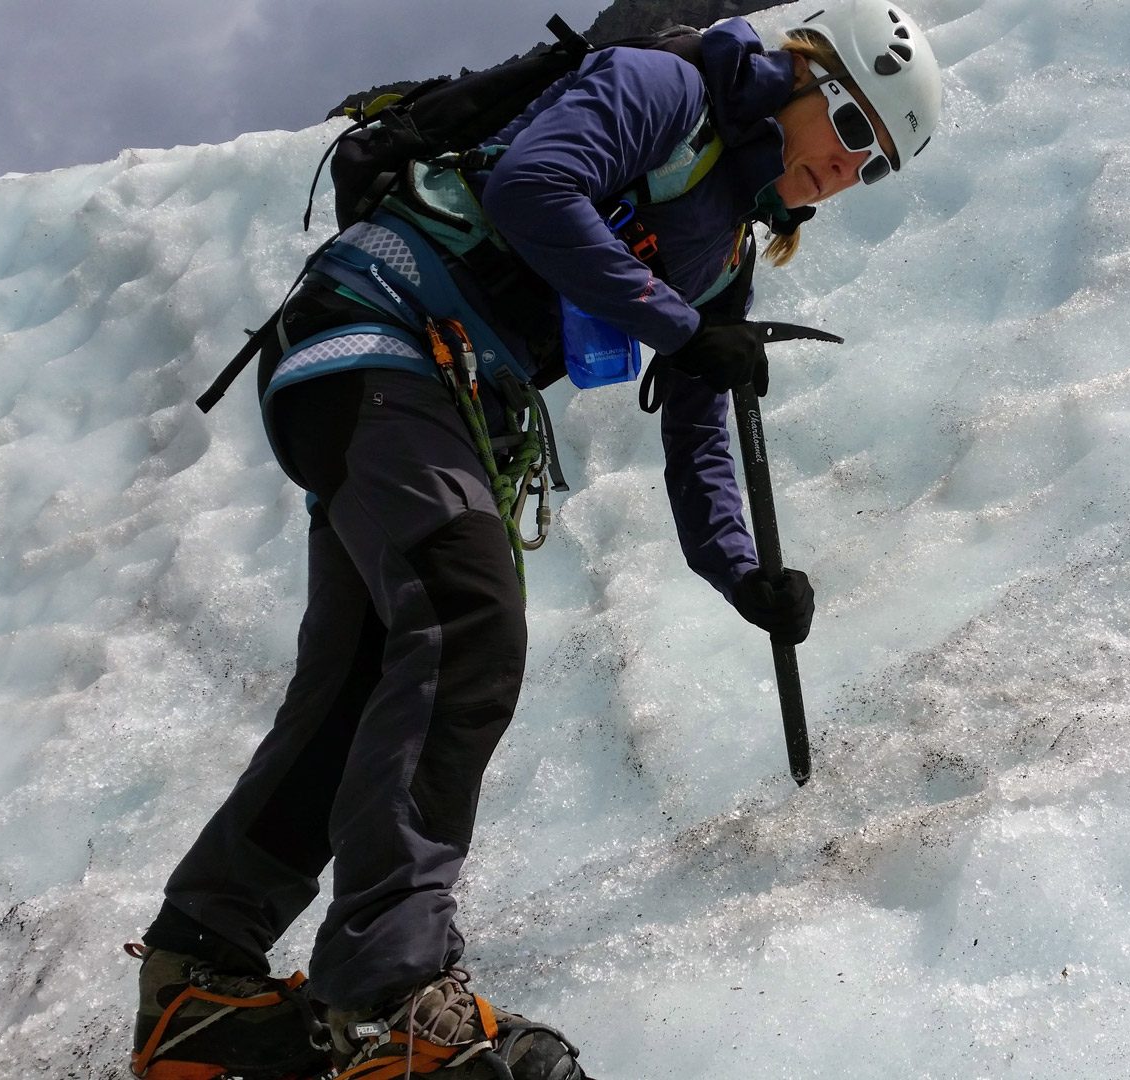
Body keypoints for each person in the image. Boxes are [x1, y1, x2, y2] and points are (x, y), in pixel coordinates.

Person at [126, 3, 943, 1078]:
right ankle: (387, 1001)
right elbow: (533, 187)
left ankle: (201, 979)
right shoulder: (669, 90)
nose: (847, 169)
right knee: (466, 625)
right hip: (384, 337)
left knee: (362, 681)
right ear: (805, 72)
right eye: (848, 124)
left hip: (396, 387)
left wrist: (745, 576)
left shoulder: (726, 251)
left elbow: (698, 438)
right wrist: (689, 328)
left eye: (873, 166)